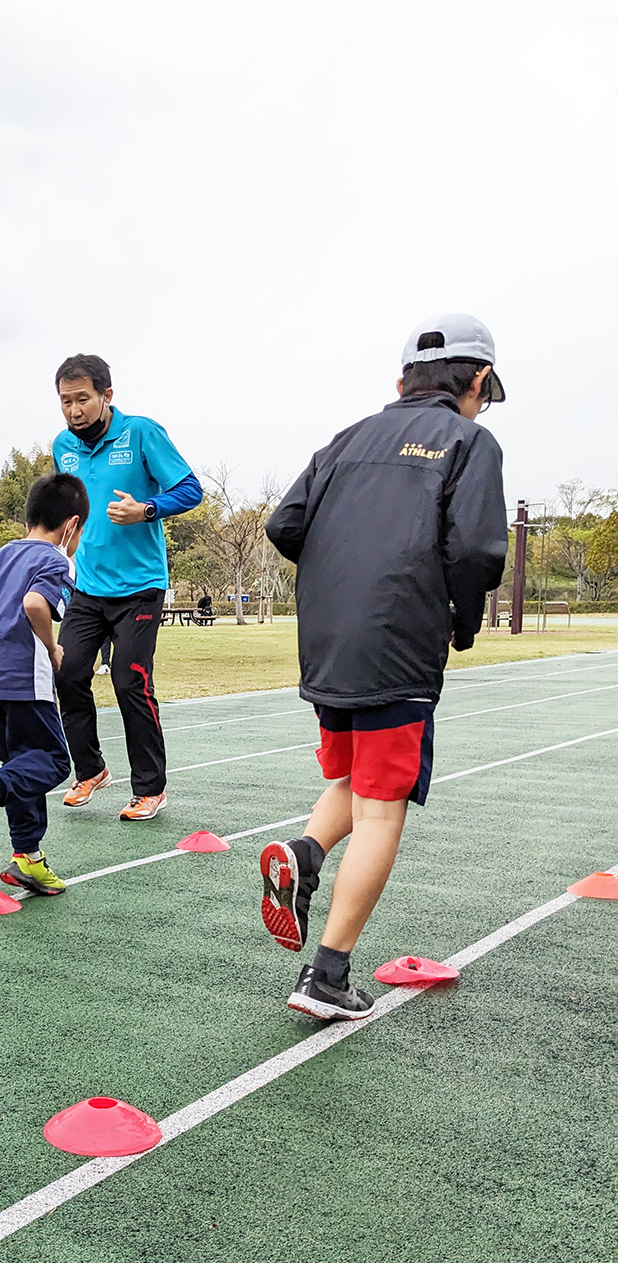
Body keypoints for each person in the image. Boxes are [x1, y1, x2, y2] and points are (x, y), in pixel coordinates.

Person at [259, 313, 508, 1021]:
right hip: (399, 641)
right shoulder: (469, 441)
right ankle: (327, 977)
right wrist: (460, 620)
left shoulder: (345, 439)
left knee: (349, 777)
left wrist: (342, 575)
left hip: (328, 645)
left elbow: (284, 525)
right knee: (382, 807)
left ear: (401, 381)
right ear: (478, 381)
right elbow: (479, 552)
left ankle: (304, 855)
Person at [51, 353, 202, 820]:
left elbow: (190, 488)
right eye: (65, 401)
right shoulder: (62, 446)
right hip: (88, 587)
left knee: (128, 680)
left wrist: (147, 509)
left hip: (140, 586)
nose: (74, 410)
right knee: (66, 673)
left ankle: (150, 788)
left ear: (106, 396)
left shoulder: (141, 433)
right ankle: (92, 769)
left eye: (82, 399)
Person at [0, 472, 86, 895]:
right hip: (23, 677)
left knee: (24, 765)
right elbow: (34, 602)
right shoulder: (56, 560)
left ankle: (29, 858)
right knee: (55, 762)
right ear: (71, 526)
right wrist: (53, 646)